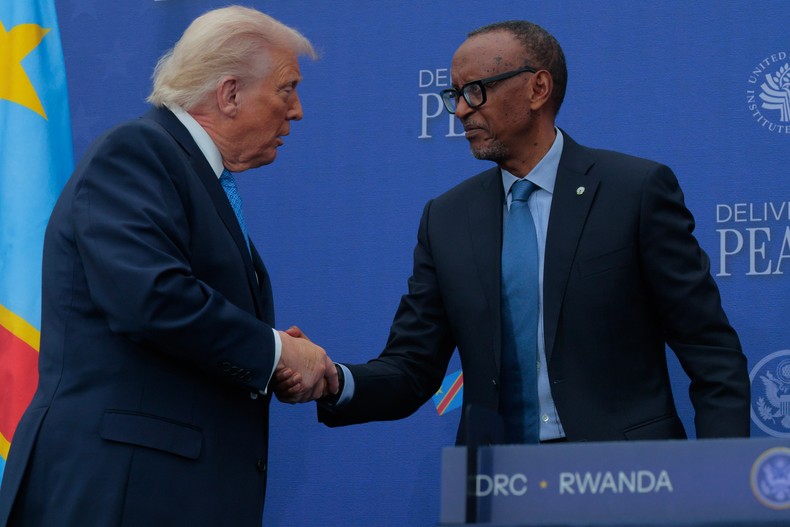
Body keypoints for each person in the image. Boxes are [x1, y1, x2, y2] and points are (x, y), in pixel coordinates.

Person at [282, 20, 750, 444]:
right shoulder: (446, 218)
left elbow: (711, 351)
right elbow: (411, 368)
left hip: (631, 480)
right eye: (455, 95)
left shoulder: (635, 192)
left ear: (537, 88)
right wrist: (335, 380)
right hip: (496, 485)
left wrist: (719, 480)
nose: (461, 110)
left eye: (476, 91)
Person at [0, 6, 337, 526]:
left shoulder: (187, 170)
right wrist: (274, 352)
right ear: (229, 93)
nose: (297, 112)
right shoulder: (137, 152)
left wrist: (274, 357)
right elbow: (152, 299)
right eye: (287, 89)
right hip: (118, 492)